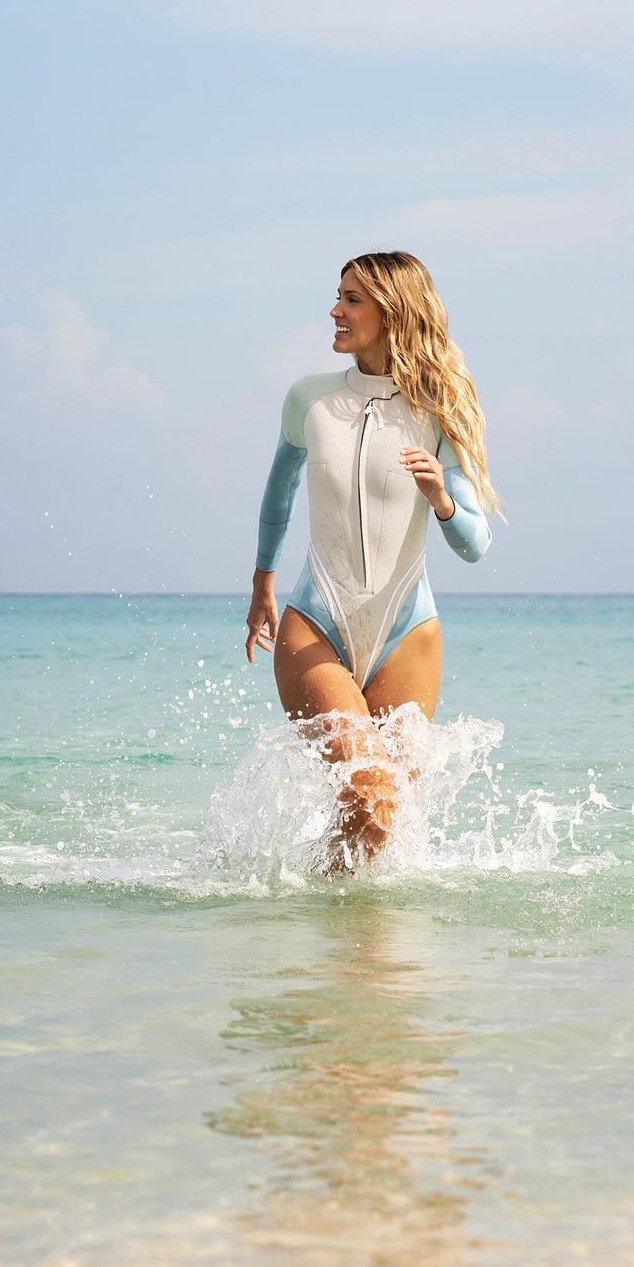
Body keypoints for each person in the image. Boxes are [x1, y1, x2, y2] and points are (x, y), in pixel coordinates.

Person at [245, 251, 498, 865]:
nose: (335, 310)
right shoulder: (309, 400)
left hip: (407, 632)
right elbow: (278, 493)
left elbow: (475, 544)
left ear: (393, 311)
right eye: (338, 296)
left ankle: (351, 949)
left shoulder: (438, 410)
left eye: (352, 299)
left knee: (380, 822)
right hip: (316, 625)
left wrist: (441, 497)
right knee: (371, 797)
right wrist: (262, 591)